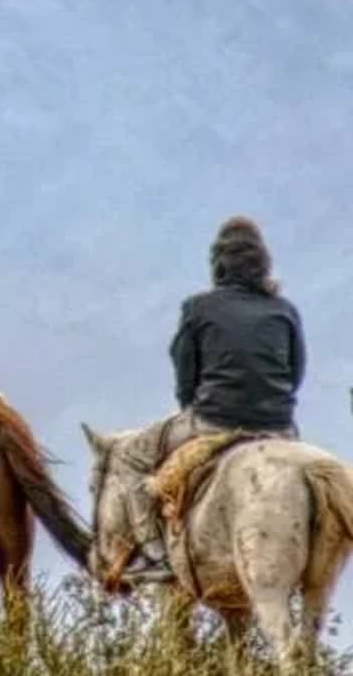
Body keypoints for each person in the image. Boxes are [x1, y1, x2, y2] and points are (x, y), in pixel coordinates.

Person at [122, 216, 304, 574]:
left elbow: (184, 372)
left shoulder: (198, 308)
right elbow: (296, 373)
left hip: (213, 420)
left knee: (132, 461)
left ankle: (156, 557)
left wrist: (192, 407)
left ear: (218, 264)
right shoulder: (285, 311)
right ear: (262, 263)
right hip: (280, 426)